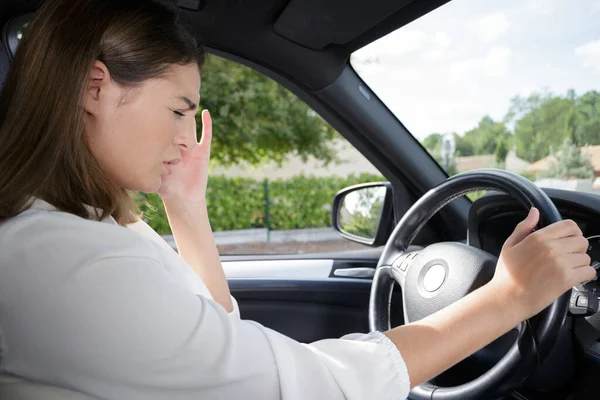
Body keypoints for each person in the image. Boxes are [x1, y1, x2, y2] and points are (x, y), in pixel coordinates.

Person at [0, 0, 594, 399]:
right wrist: (510, 297)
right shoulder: (68, 262)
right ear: (95, 88)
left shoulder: (81, 230)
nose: (186, 135)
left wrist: (186, 206)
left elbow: (210, 335)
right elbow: (306, 385)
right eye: (179, 109)